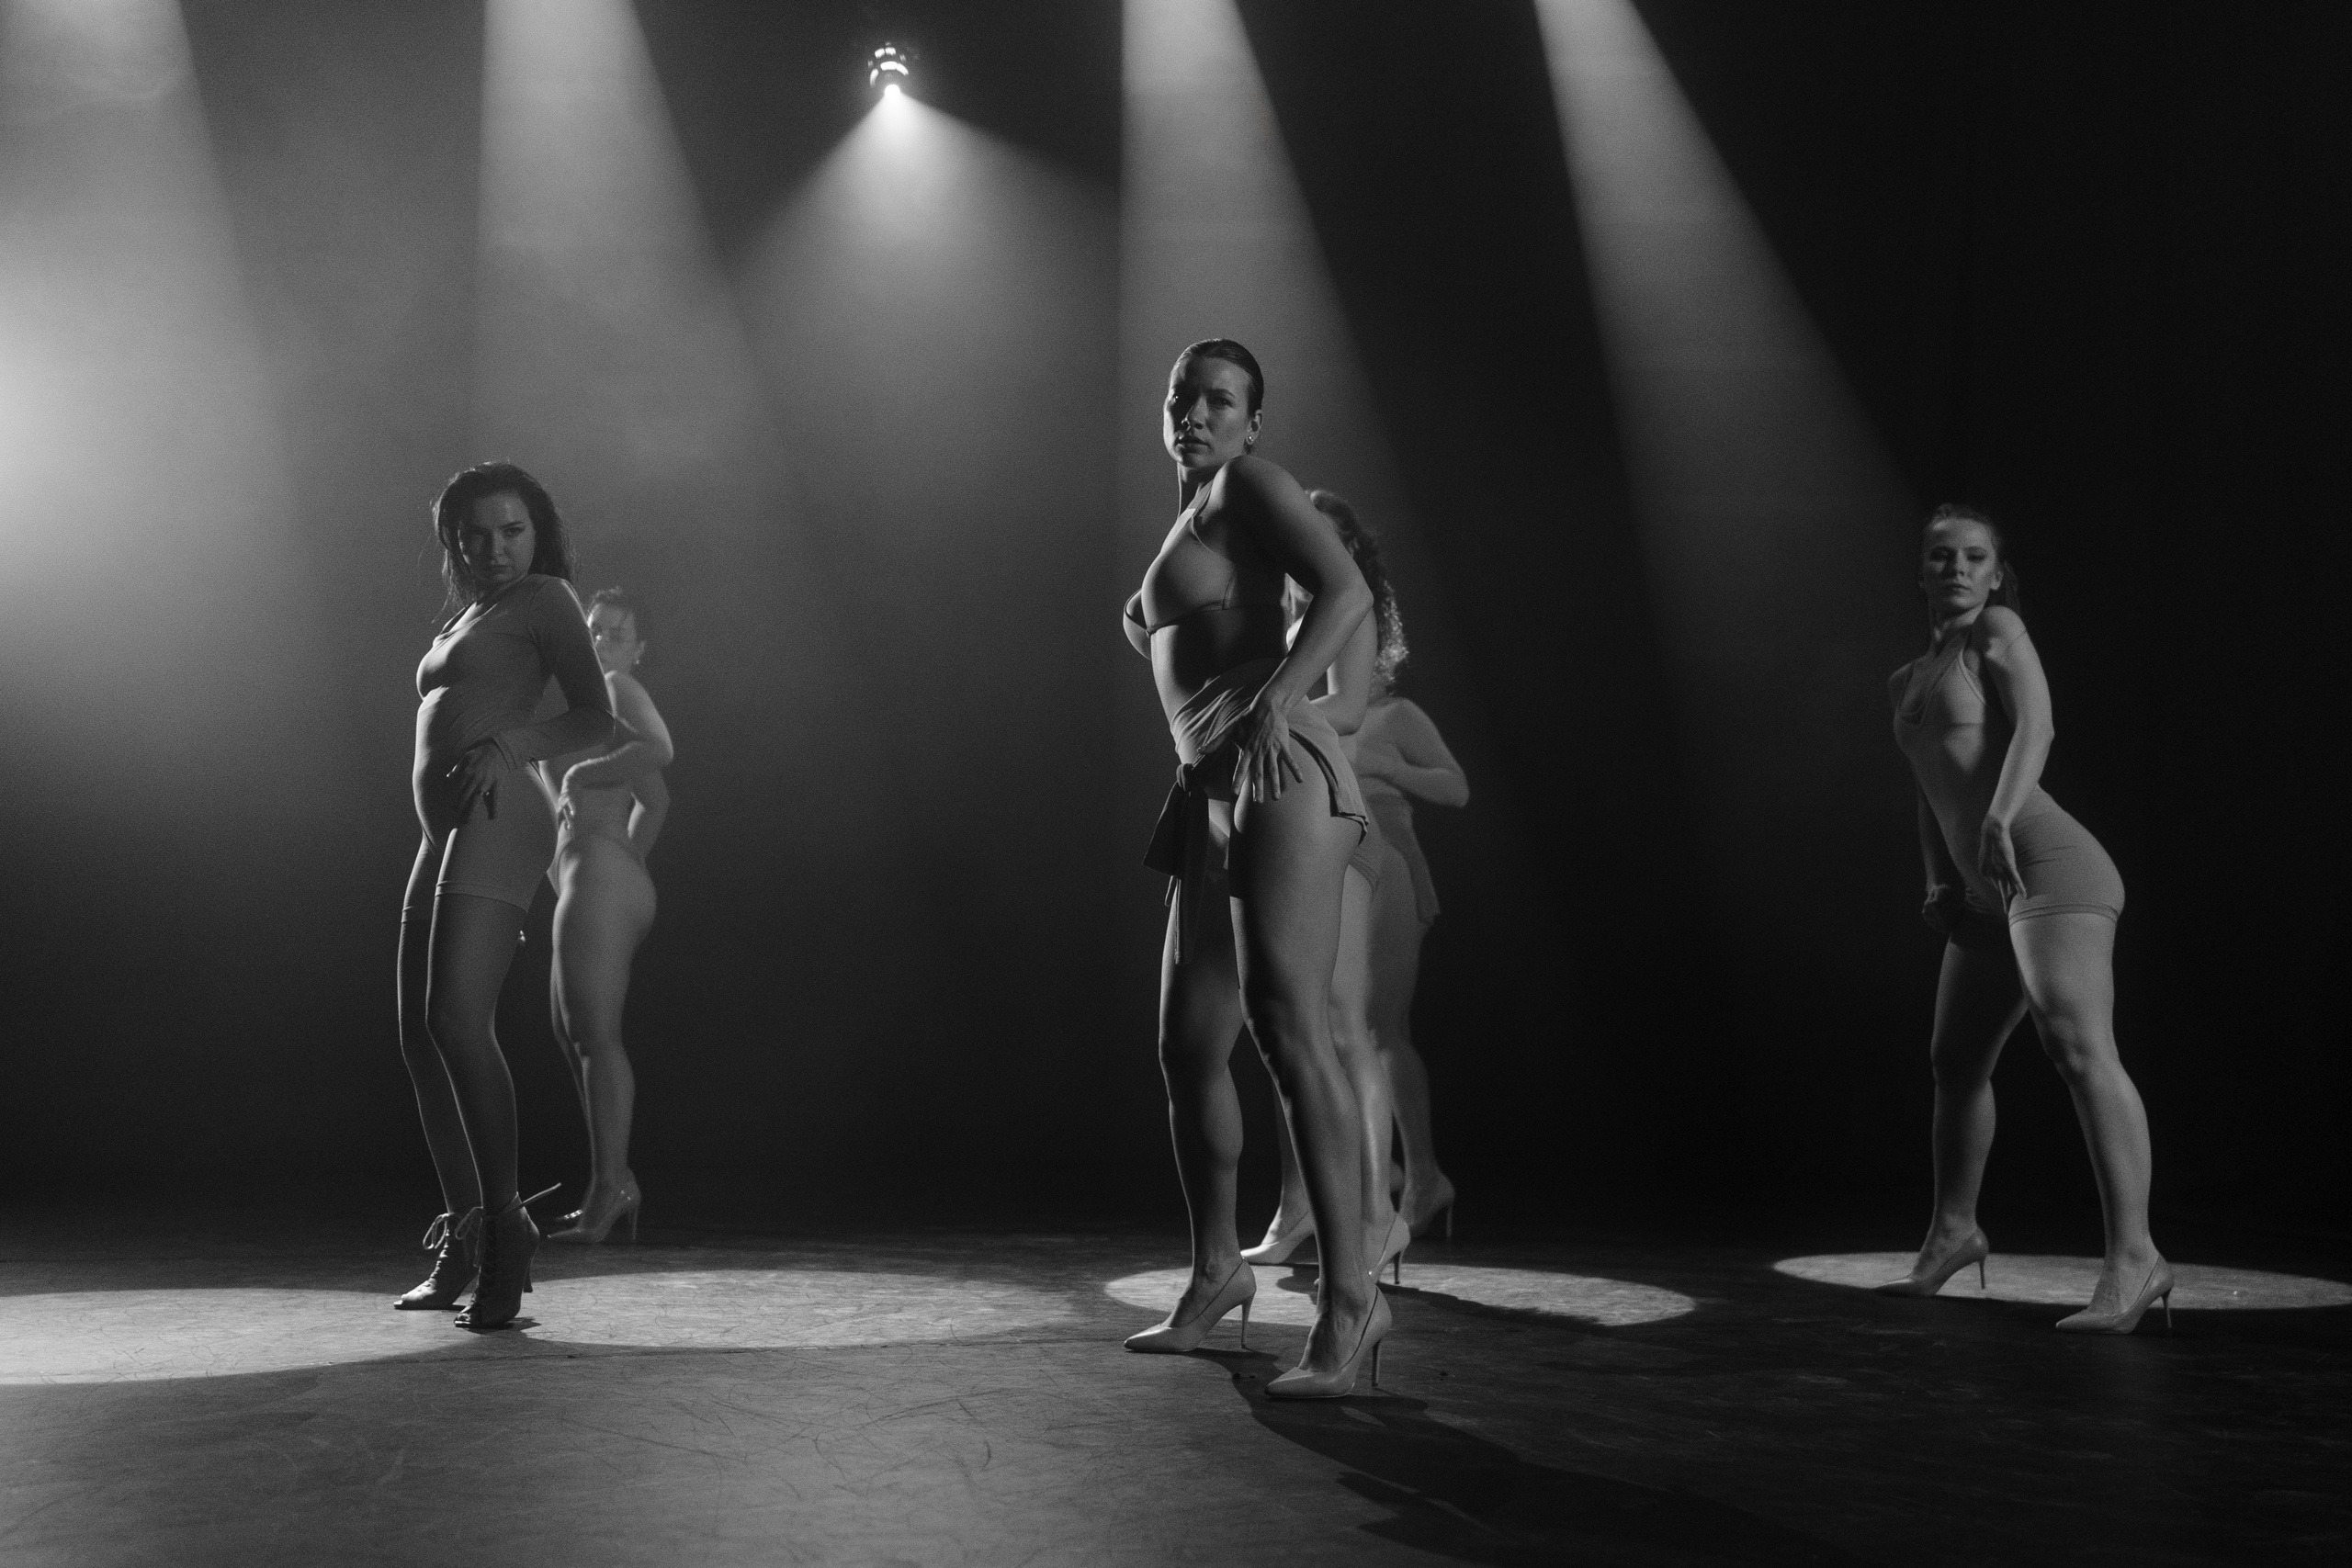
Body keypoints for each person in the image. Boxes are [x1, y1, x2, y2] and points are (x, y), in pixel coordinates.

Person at [1119, 339, 1390, 1397]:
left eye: (1217, 399)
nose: (1194, 411)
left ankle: (1353, 1303)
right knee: (1187, 1045)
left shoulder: (1245, 486)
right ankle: (1216, 1272)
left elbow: (1347, 592)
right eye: (1182, 394)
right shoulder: (1185, 525)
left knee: (1288, 1034)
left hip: (1275, 766)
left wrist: (1283, 697)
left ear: (1250, 423)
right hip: (1208, 790)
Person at [1881, 503, 2167, 1333]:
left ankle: (2136, 1258)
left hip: (2051, 866)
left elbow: (2036, 726)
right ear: (1923, 569)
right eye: (1942, 556)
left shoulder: (1996, 632)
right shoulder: (1906, 680)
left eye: (1975, 557)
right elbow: (1933, 791)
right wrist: (1941, 875)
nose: (1959, 568)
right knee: (1954, 1059)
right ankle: (1954, 1230)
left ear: (1997, 573)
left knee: (2078, 1048)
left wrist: (2001, 822)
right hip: (1985, 890)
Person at [394, 462, 613, 1330]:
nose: (493, 548)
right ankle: (470, 1231)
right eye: (475, 534)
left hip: (497, 814)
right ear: (453, 540)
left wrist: (512, 744)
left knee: (456, 1019)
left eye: (510, 531)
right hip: (441, 827)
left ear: (536, 532)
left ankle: (508, 1231)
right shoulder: (471, 612)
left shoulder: (547, 598)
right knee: (417, 1037)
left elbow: (595, 715)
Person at [1244, 491, 1468, 1268]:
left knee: (1362, 1028)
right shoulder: (1285, 624)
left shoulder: (1375, 677)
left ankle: (1395, 1197)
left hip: (1371, 845)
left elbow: (1450, 784)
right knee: (1293, 1027)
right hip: (1306, 831)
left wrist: (1281, 710)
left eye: (1330, 536)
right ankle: (1309, 1202)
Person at [538, 588, 672, 1245]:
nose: (602, 642)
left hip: (600, 872)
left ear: (636, 651)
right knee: (572, 1034)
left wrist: (615, 857)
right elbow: (657, 799)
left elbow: (659, 751)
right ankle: (604, 1185)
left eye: (617, 633)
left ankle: (613, 1187)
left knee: (594, 1033)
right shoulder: (581, 708)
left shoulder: (617, 687)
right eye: (594, 630)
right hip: (590, 876)